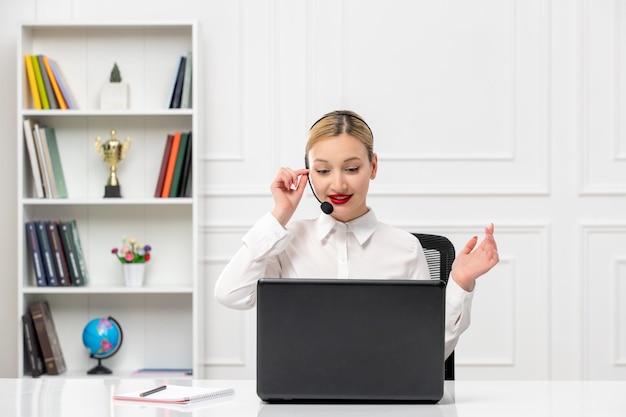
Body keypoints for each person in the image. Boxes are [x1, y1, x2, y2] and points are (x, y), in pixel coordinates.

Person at [214, 110, 499, 359]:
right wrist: (280, 215)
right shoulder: (285, 240)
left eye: (351, 168)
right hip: (300, 397)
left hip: (383, 397)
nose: (337, 183)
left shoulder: (406, 249)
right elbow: (230, 294)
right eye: (323, 170)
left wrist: (461, 282)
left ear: (373, 166)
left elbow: (429, 349)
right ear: (308, 174)